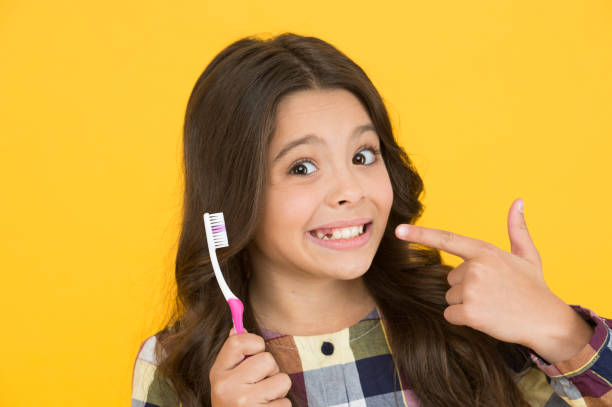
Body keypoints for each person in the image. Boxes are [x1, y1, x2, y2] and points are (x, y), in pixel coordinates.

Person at [130, 32, 612, 407]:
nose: (351, 190)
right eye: (302, 167)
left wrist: (556, 327)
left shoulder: (469, 318)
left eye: (363, 155)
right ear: (234, 193)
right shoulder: (176, 365)